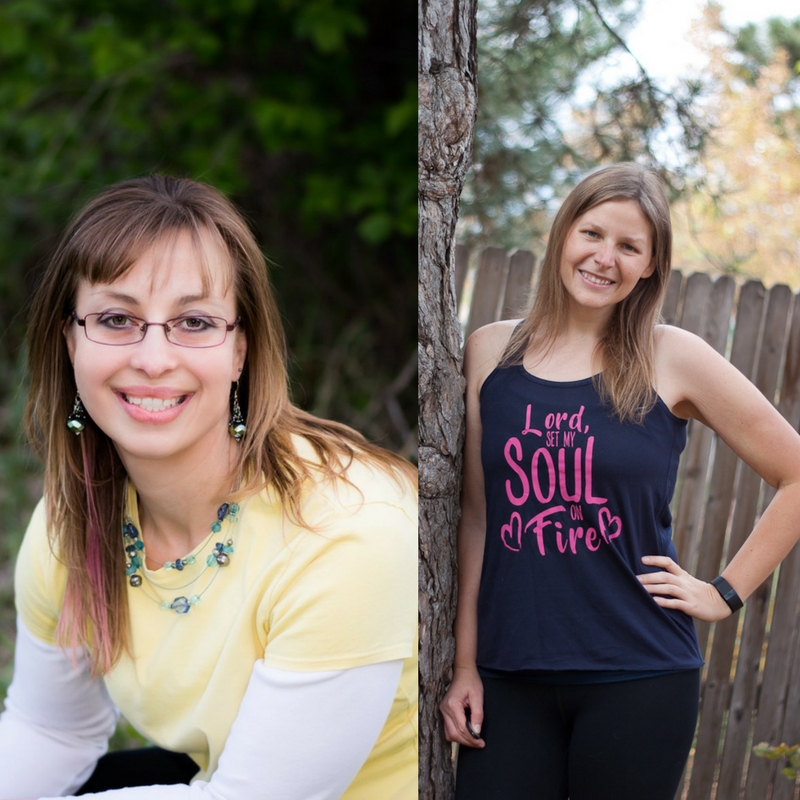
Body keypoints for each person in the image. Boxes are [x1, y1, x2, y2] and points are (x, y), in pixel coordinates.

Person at [0, 175, 417, 799]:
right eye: (116, 319)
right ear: (69, 341)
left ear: (240, 351)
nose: (153, 357)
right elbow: (49, 729)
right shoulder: (72, 521)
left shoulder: (348, 531)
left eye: (194, 322)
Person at [439, 162, 800, 800]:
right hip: (507, 676)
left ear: (651, 266)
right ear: (562, 236)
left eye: (629, 247)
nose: (605, 258)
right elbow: (477, 518)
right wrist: (465, 664)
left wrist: (723, 594)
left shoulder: (672, 357)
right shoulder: (490, 353)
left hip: (638, 676)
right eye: (593, 234)